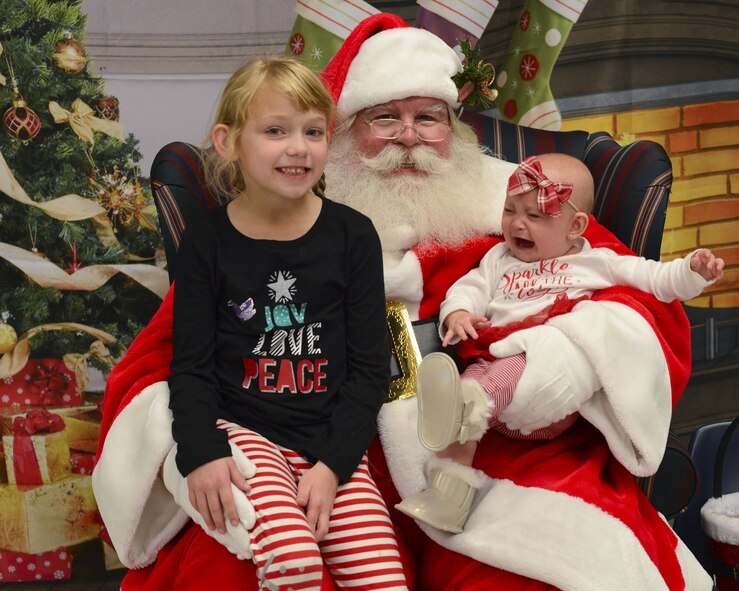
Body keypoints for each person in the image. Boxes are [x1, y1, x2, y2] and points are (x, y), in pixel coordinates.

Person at [93, 13, 713, 591]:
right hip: (305, 440)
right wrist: (203, 451)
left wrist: (544, 366)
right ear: (340, 134)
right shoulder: (273, 225)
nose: (410, 137)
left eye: (430, 117)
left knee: (541, 568)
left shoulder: (518, 204)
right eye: (384, 117)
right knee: (232, 568)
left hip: (488, 452)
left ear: (456, 130)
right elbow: (164, 360)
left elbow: (631, 298)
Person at [144, 56, 409, 590]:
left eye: (313, 131)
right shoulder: (207, 245)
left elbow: (367, 370)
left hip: (330, 438)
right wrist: (202, 451)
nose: (298, 147)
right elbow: (190, 368)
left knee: (382, 578)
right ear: (228, 141)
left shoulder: (353, 236)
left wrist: (333, 467)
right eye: (275, 131)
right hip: (245, 430)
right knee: (293, 559)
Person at [394, 153, 724, 534]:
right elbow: (468, 289)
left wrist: (692, 272)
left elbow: (655, 279)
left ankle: (465, 403)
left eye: (534, 216)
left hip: (544, 389)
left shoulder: (597, 262)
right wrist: (459, 314)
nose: (517, 223)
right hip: (494, 370)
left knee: (508, 368)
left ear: (575, 226)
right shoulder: (498, 259)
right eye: (509, 210)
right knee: (465, 420)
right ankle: (449, 496)